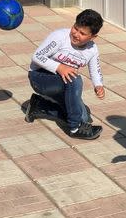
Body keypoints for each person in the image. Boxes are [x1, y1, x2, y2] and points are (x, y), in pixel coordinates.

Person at [25, 9, 105, 140]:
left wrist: (98, 85)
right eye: (75, 28)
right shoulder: (59, 36)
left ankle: (39, 105)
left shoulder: (92, 49)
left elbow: (95, 69)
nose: (76, 34)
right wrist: (59, 67)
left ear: (93, 37)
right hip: (40, 77)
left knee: (85, 116)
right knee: (75, 80)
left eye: (82, 33)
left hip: (64, 82)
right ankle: (75, 128)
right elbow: (37, 56)